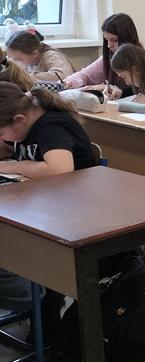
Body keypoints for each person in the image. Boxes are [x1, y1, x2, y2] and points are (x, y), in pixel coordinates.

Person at [0, 81, 95, 316]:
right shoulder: (24, 127)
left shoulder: (52, 126)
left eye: (1, 133)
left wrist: (14, 166)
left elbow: (59, 169)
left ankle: (40, 299)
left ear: (20, 119)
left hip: (72, 217)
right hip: (41, 207)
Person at [62, 13, 142, 91]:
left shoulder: (143, 61)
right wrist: (68, 82)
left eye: (114, 40)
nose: (109, 45)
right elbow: (85, 75)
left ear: (126, 38)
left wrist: (109, 88)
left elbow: (139, 90)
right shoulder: (108, 58)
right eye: (107, 40)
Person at [4, 31, 75, 83]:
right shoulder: (25, 57)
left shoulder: (51, 56)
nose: (15, 61)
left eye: (18, 59)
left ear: (34, 54)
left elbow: (62, 76)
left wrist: (26, 77)